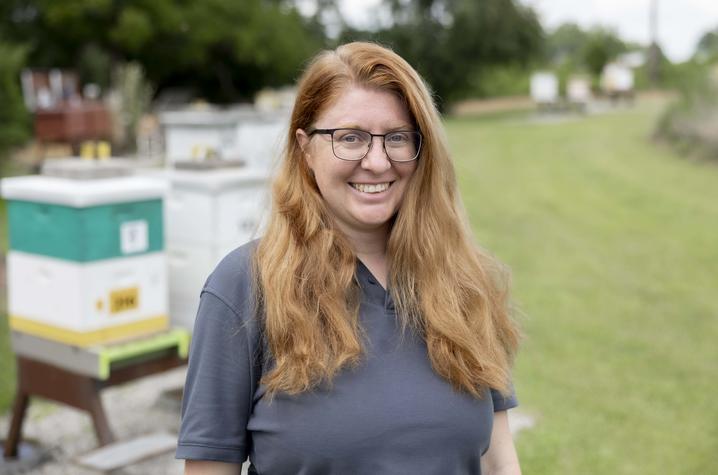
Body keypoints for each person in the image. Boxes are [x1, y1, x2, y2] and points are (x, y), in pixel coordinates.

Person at [176, 41, 522, 475]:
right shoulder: (245, 286)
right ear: (305, 149)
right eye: (350, 138)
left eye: (396, 137)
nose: (377, 162)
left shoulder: (465, 281)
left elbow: (499, 461)